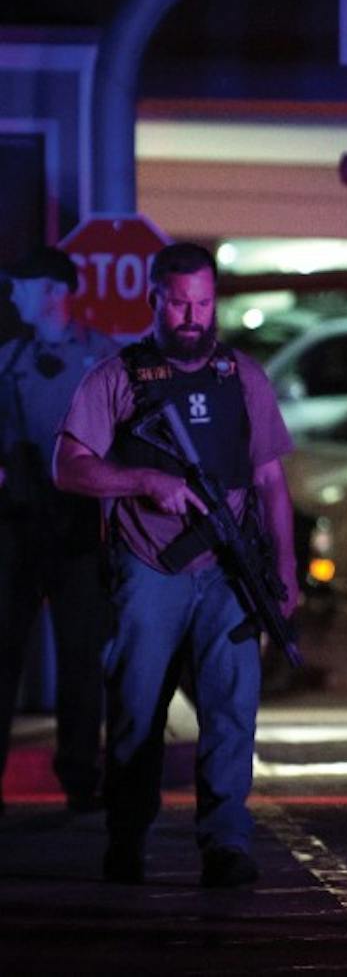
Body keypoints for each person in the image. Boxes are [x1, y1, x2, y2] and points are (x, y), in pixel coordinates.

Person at [53, 242, 298, 887]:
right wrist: (141, 481)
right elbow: (69, 467)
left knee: (231, 707)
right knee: (137, 709)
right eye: (181, 303)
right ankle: (127, 835)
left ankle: (226, 843)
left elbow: (272, 481)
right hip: (149, 565)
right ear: (155, 300)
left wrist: (287, 570)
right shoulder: (115, 378)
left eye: (204, 303)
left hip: (229, 569)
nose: (193, 316)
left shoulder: (242, 376)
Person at [0, 247, 117, 815]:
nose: (11, 295)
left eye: (20, 286)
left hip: (77, 525)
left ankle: (79, 777)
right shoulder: (8, 358)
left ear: (49, 290)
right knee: (3, 653)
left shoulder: (102, 360)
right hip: (17, 523)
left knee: (80, 655)